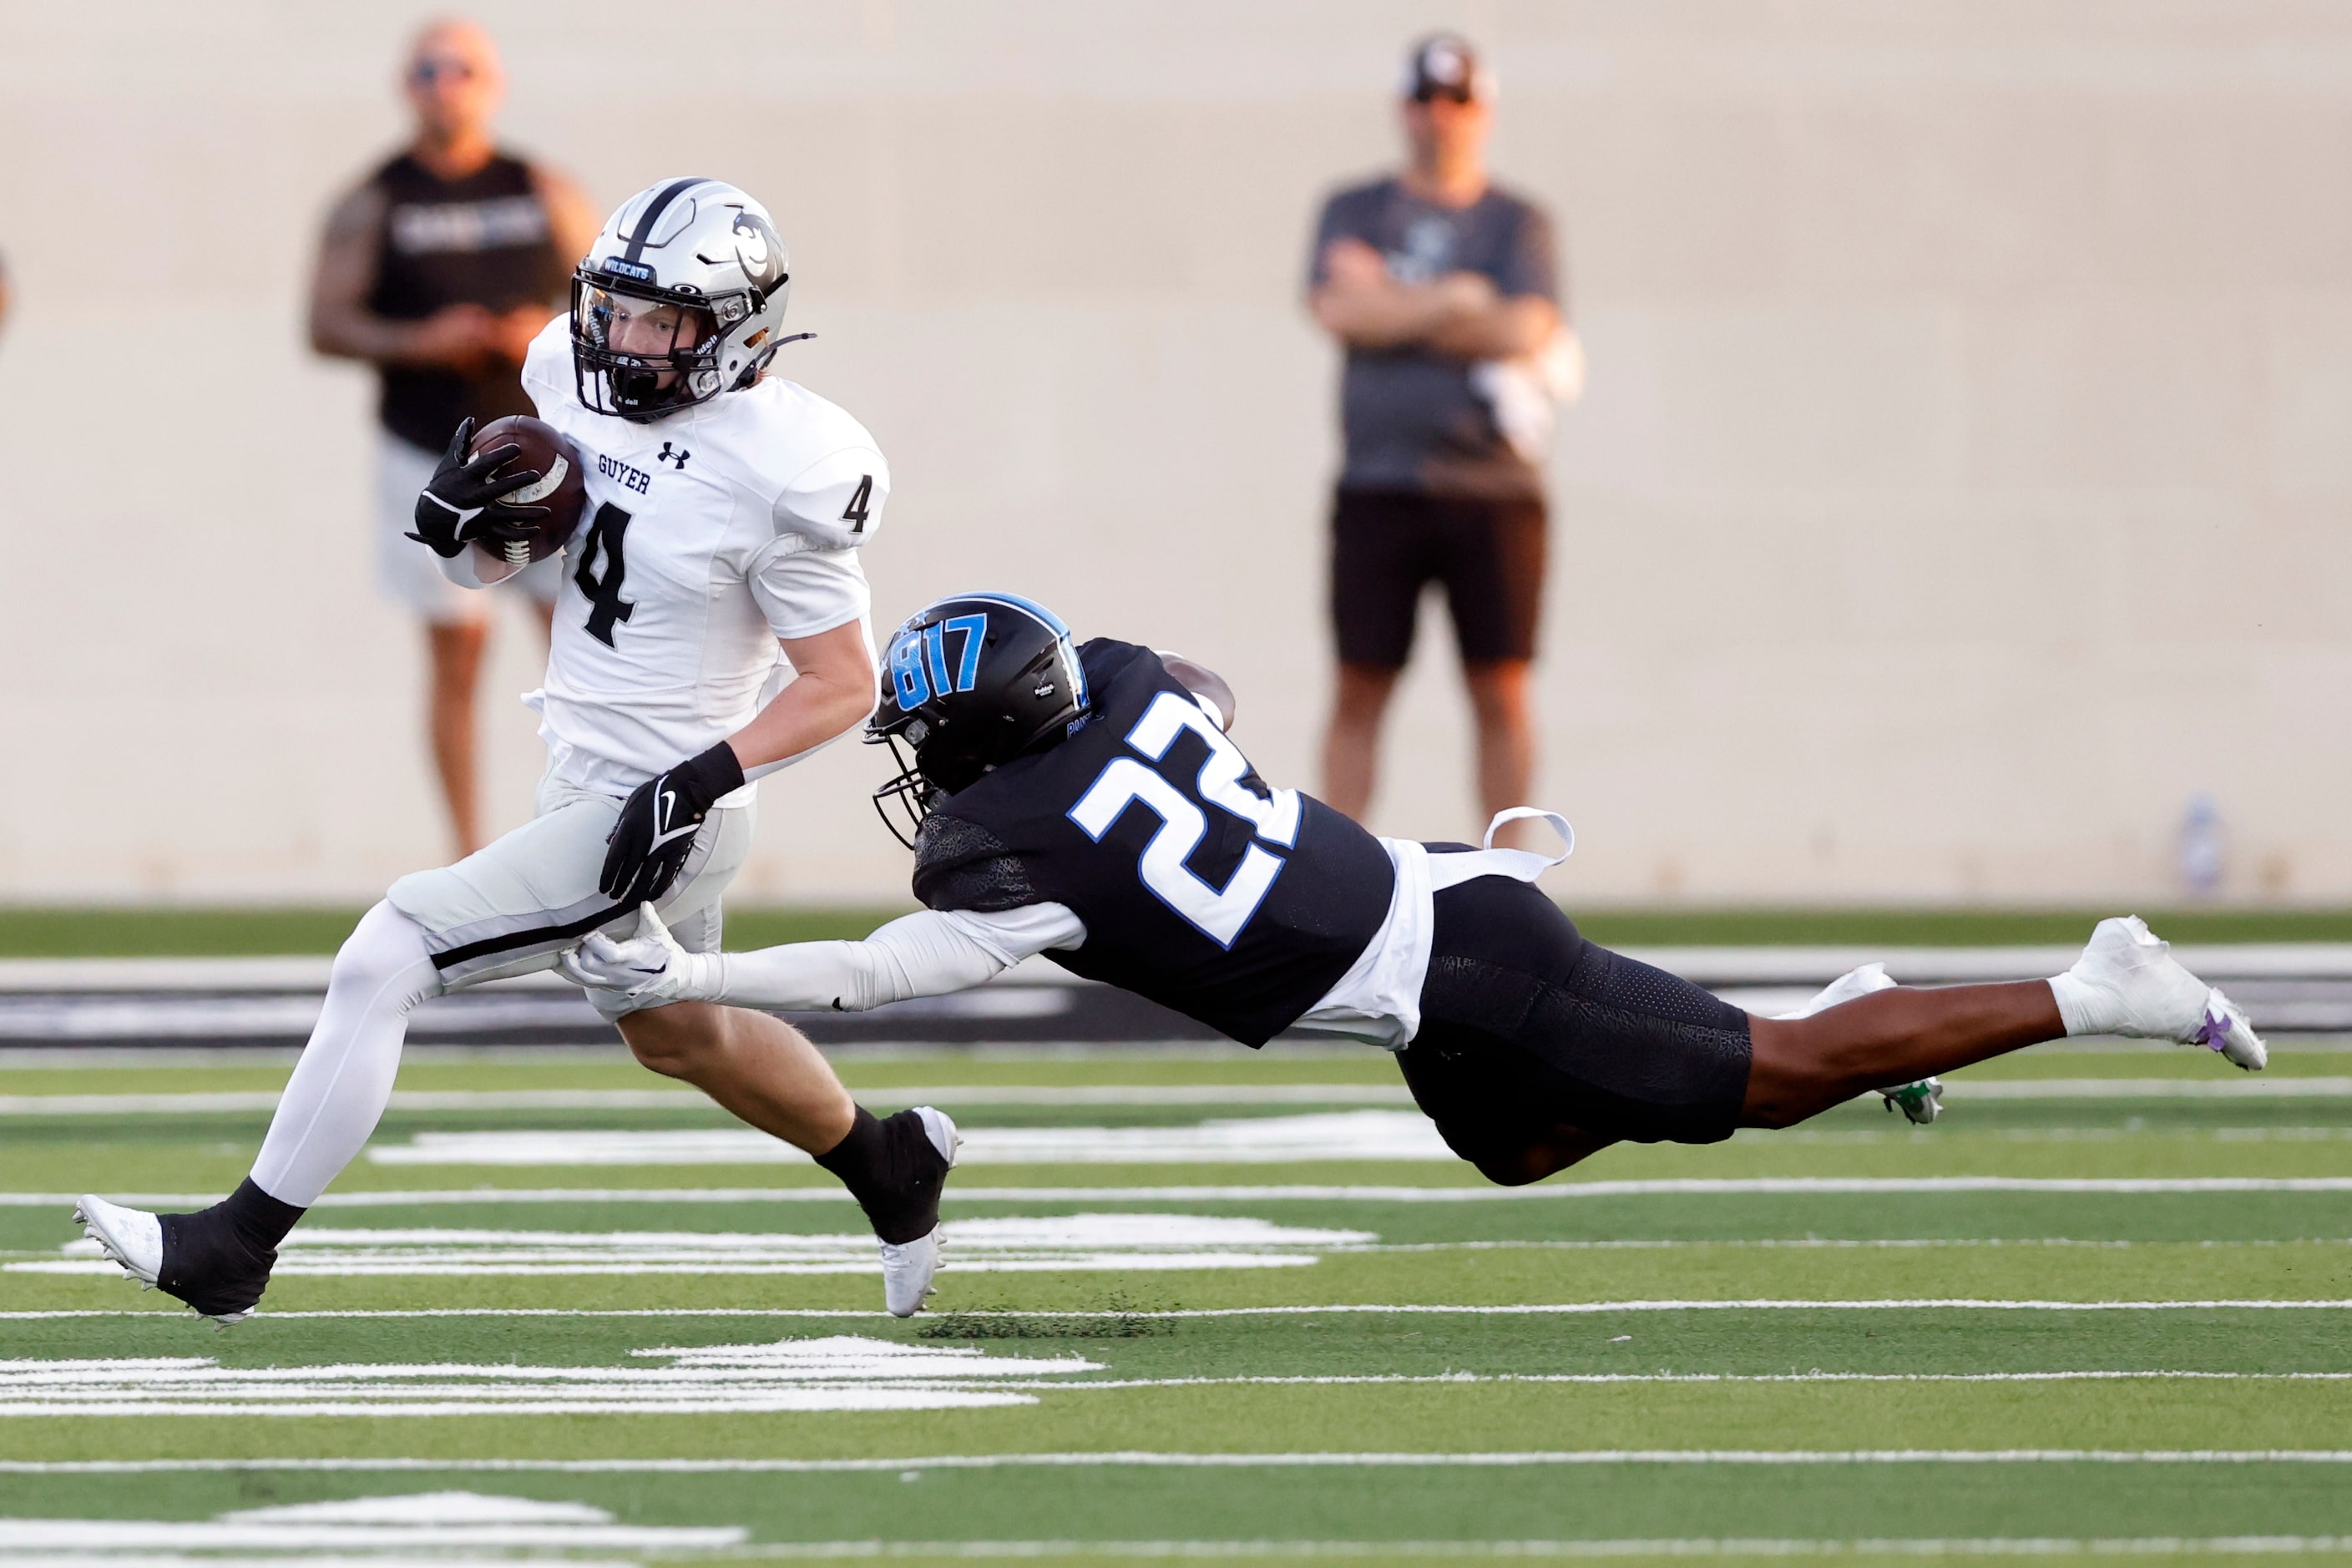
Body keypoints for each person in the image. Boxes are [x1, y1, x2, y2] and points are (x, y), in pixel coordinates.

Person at [564, 593, 2266, 1211]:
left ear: (990, 737)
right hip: (1434, 911)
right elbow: (1200, 692)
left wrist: (676, 960)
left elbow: (866, 980)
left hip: (1464, 965)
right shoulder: (1132, 688)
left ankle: (2096, 985)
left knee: (1761, 1085)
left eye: (933, 741)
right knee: (1511, 1156)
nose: (920, 775)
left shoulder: (1015, 859)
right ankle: (1845, 1010)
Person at [78, 178, 955, 1327]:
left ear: (738, 328)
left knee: (385, 953)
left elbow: (845, 681)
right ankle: (886, 1163)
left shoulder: (784, 464)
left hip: (663, 808)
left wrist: (698, 781)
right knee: (677, 1030)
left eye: (661, 322)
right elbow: (533, 571)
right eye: (615, 309)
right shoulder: (562, 372)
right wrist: (466, 541)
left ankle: (235, 1245)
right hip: (583, 768)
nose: (622, 340)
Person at [308, 18, 600, 856]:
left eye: (463, 69)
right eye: (430, 70)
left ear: (491, 82)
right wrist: (417, 340)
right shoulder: (377, 200)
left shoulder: (540, 187)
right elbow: (325, 322)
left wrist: (532, 331)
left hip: (539, 455)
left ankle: (578, 834)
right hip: (428, 453)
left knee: (571, 647)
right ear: (409, 85)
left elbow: (609, 305)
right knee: (456, 656)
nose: (447, 85)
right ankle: (467, 852)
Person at [1307, 33, 1575, 849]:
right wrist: (1458, 297)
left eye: (1456, 100)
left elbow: (1527, 326)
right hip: (1378, 486)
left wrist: (1397, 303)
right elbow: (1340, 311)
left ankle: (1508, 876)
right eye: (1424, 99)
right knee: (1361, 686)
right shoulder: (1355, 208)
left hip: (1495, 493)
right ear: (1403, 108)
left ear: (1481, 111)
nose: (1438, 117)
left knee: (1501, 690)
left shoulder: (1517, 222)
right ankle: (1339, 884)